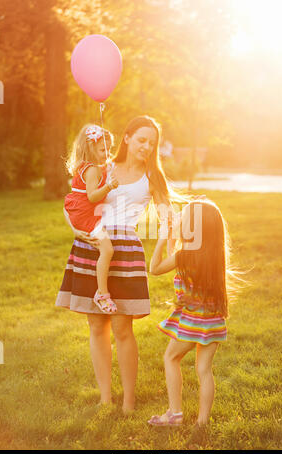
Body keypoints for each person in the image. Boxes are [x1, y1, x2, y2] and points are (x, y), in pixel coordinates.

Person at [56, 115, 176, 414]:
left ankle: (128, 402)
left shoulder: (153, 177)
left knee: (123, 328)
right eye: (141, 140)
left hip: (125, 250)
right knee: (96, 324)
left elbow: (167, 218)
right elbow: (73, 200)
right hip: (92, 244)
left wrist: (165, 246)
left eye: (152, 143)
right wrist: (75, 229)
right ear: (127, 138)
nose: (147, 147)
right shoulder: (104, 167)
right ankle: (105, 398)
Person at [148, 199, 234, 444]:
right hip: (213, 320)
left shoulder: (185, 255)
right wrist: (175, 240)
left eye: (184, 218)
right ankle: (202, 422)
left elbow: (155, 268)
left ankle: (174, 413)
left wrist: (164, 237)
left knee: (171, 357)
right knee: (204, 370)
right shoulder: (214, 255)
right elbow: (178, 263)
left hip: (192, 321)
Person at [63, 123, 119, 313]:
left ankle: (101, 291)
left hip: (78, 212)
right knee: (107, 249)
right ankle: (102, 294)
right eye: (103, 149)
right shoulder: (93, 170)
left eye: (109, 149)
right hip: (85, 216)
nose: (107, 153)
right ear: (91, 148)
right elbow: (93, 196)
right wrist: (109, 186)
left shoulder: (85, 167)